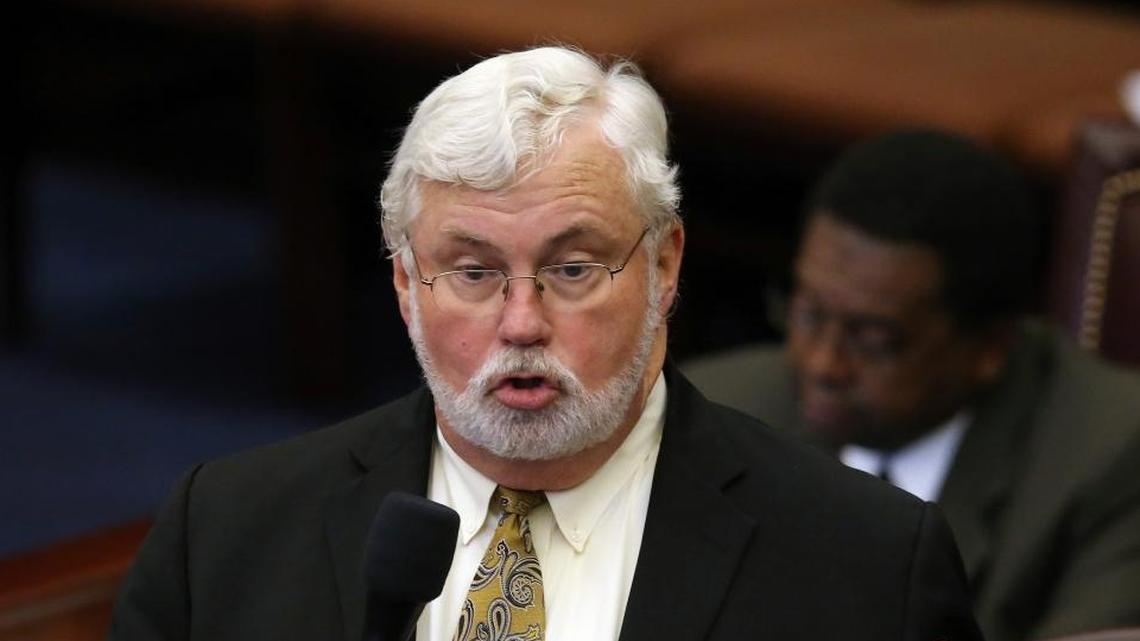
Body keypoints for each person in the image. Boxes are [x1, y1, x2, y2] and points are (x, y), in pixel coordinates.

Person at [108, 49, 981, 641]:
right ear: (406, 282)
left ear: (665, 263)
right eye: (474, 272)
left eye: (571, 268)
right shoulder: (225, 533)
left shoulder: (866, 567)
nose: (521, 324)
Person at [684, 129, 1140, 641]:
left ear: (990, 347)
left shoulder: (1112, 456)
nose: (822, 363)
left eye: (873, 339)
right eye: (809, 313)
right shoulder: (715, 410)